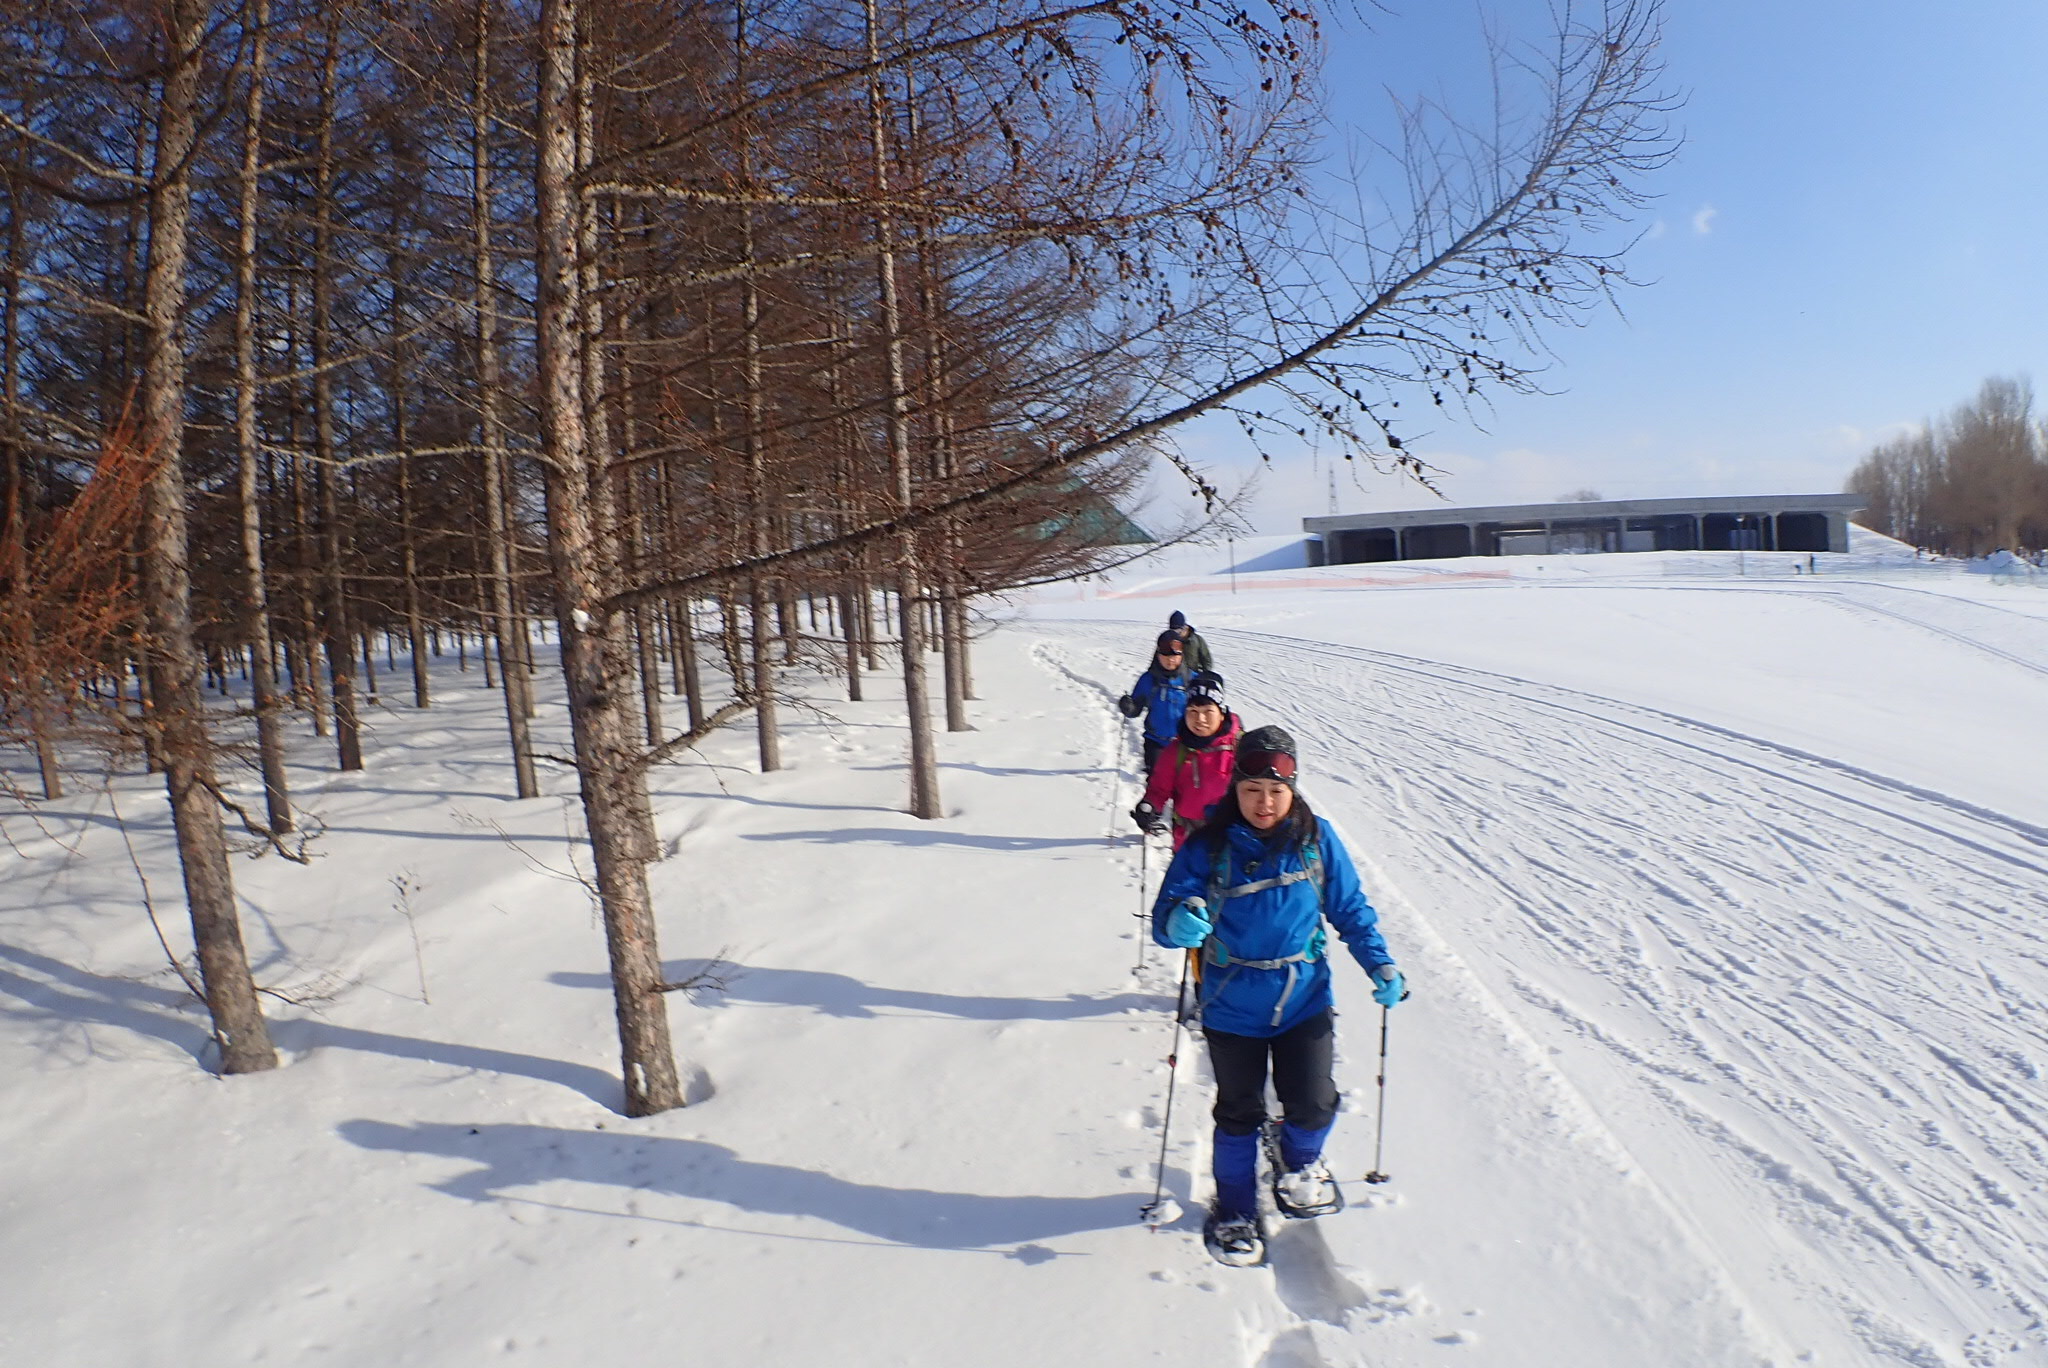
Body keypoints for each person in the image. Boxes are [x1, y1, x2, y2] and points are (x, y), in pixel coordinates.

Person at [1150, 725, 1407, 1266]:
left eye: (1276, 791)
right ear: (1234, 789)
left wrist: (1379, 962)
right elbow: (1165, 916)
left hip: (1304, 999)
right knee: (1238, 1112)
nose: (1264, 803)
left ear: (1293, 791)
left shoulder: (1318, 840)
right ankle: (1236, 1207)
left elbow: (1350, 909)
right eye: (1251, 790)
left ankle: (1297, 1161)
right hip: (1230, 1003)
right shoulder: (1208, 846)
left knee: (1313, 1105)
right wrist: (1179, 921)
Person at [1131, 671, 1239, 849]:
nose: (1200, 719)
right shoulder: (1176, 751)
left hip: (1231, 844)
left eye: (1208, 711)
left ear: (1221, 713)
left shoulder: (1239, 747)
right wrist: (1149, 805)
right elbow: (1159, 789)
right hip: (1188, 844)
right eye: (1193, 711)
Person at [1117, 630, 1192, 775]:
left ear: (1182, 656)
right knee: (1156, 786)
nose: (1170, 660)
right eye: (1166, 655)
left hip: (1184, 744)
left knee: (1183, 789)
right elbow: (1135, 710)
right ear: (1158, 655)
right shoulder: (1148, 679)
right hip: (1156, 743)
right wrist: (1128, 706)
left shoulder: (1192, 680)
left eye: (1175, 656)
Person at [1167, 610, 1213, 676]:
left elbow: (1207, 660)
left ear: (1185, 628)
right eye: (1173, 631)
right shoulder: (1167, 640)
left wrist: (1204, 676)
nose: (1176, 634)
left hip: (1193, 677)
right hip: (1173, 678)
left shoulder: (1197, 640)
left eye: (1178, 631)